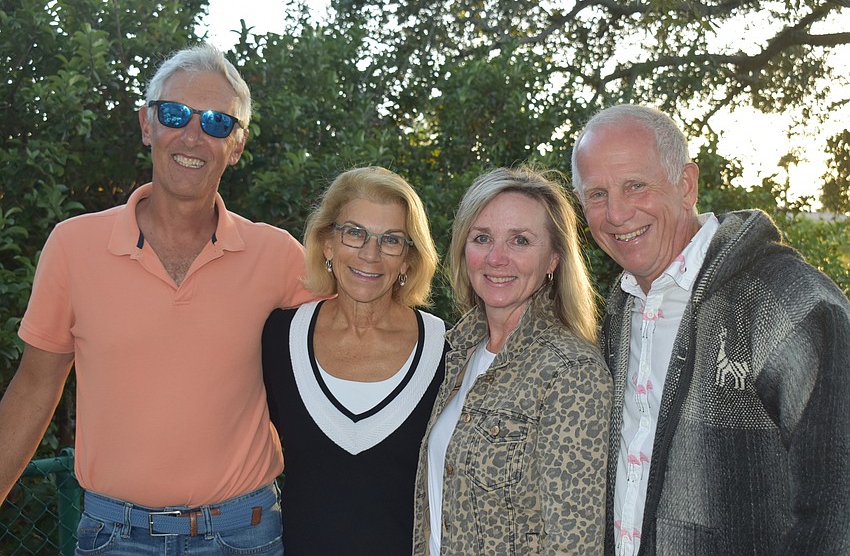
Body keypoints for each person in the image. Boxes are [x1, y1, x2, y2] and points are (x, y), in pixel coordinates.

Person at [0, 43, 315, 555]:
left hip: (243, 534)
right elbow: (34, 389)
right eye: (174, 114)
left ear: (236, 145)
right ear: (147, 125)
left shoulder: (278, 256)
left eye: (216, 122)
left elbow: (347, 359)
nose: (192, 135)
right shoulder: (72, 246)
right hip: (113, 537)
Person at [571, 103, 850, 556]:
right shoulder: (620, 310)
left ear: (686, 184)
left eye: (635, 186)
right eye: (596, 194)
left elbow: (838, 508)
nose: (616, 214)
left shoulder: (789, 303)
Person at [412, 166, 613, 555]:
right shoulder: (458, 353)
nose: (496, 257)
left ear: (554, 259)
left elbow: (574, 544)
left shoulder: (571, 373)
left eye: (520, 240)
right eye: (482, 238)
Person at [262, 166, 446, 555]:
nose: (370, 253)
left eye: (391, 240)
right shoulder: (279, 338)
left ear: (409, 259)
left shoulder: (448, 350)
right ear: (327, 243)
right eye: (354, 233)